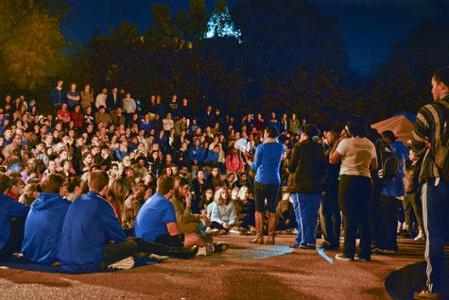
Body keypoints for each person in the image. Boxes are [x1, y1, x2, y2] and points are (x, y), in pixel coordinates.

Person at [411, 67, 449, 300]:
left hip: (437, 179)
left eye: (433, 84)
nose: (431, 89)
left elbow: (416, 143)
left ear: (443, 86)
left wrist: (420, 148)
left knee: (434, 234)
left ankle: (434, 287)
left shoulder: (430, 111)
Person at [58, 171, 138, 273]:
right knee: (132, 245)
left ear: (88, 184)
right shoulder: (102, 204)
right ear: (105, 187)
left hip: (66, 257)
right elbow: (119, 237)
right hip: (87, 259)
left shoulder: (77, 200)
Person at [330, 118, 377, 262]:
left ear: (349, 129)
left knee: (349, 216)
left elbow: (332, 159)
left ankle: (348, 251)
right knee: (364, 217)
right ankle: (365, 252)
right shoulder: (370, 144)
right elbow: (374, 166)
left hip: (348, 180)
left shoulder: (345, 142)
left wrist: (339, 140)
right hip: (365, 180)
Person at [135, 175, 198, 258]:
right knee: (194, 237)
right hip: (152, 242)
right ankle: (208, 247)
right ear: (171, 191)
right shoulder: (166, 204)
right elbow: (174, 233)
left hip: (140, 240)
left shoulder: (152, 199)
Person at [287, 124, 326, 249]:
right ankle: (307, 240)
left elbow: (291, 167)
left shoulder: (299, 146)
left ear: (303, 134)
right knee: (312, 214)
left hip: (300, 185)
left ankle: (305, 241)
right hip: (316, 186)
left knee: (301, 214)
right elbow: (322, 167)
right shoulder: (320, 147)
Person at [21, 174, 70, 264]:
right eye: (65, 186)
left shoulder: (35, 203)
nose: (66, 189)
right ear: (59, 187)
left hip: (29, 254)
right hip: (50, 258)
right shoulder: (64, 206)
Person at [249, 126, 285, 244]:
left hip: (261, 180)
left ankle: (259, 236)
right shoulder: (281, 147)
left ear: (267, 133)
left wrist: (249, 162)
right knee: (272, 210)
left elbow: (256, 165)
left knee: (259, 209)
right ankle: (271, 237)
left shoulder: (261, 148)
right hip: (275, 180)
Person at [0, 174, 30, 261]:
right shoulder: (6, 202)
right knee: (20, 220)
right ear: (8, 188)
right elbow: (29, 211)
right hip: (2, 248)